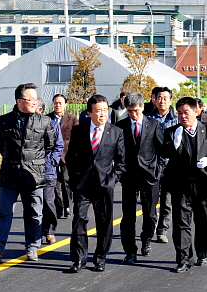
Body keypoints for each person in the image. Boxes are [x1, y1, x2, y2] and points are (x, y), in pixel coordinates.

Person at [0, 83, 55, 262]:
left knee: (34, 212)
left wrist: (32, 160)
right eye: (30, 99)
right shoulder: (3, 121)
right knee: (3, 211)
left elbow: (49, 146)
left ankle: (32, 247)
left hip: (34, 175)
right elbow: (1, 145)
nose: (34, 102)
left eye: (36, 99)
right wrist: (15, 158)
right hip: (10, 174)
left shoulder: (45, 121)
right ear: (19, 101)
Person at [161, 97, 207, 272]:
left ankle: (202, 253)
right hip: (181, 184)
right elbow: (163, 152)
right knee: (181, 222)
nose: (182, 116)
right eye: (179, 113)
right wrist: (174, 143)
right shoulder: (172, 132)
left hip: (204, 183)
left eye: (185, 112)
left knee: (205, 221)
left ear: (196, 111)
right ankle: (183, 259)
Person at [66, 94, 125, 273]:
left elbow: (121, 163)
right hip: (82, 185)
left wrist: (111, 181)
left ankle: (100, 257)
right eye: (98, 111)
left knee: (104, 222)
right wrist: (75, 179)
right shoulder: (79, 131)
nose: (102, 114)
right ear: (89, 112)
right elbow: (70, 158)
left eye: (105, 111)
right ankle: (79, 259)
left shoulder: (116, 132)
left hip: (104, 185)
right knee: (79, 222)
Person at [116, 92, 165, 265]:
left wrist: (158, 171)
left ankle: (146, 241)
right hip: (129, 177)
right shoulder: (120, 126)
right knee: (128, 216)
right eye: (129, 111)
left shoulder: (154, 124)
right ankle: (130, 251)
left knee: (150, 215)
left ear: (143, 107)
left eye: (136, 110)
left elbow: (162, 151)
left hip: (150, 177)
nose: (133, 114)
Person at [146, 86, 178, 244]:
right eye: (159, 98)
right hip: (151, 165)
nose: (162, 101)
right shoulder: (147, 118)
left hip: (170, 166)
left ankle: (162, 230)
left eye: (165, 98)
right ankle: (150, 228)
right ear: (154, 99)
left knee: (166, 201)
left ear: (171, 100)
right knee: (151, 200)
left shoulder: (177, 120)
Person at [36, 98, 64, 245]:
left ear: (40, 110)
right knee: (34, 204)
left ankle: (50, 230)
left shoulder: (52, 125)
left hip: (48, 171)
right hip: (32, 171)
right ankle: (35, 234)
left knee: (48, 202)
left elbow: (59, 146)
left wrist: (51, 161)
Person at [47, 94, 78, 220]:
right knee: (53, 183)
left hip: (67, 154)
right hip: (51, 155)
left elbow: (76, 137)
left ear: (65, 104)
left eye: (60, 103)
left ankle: (67, 206)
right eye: (55, 102)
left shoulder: (72, 119)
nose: (58, 105)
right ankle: (58, 207)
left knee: (66, 181)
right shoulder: (47, 118)